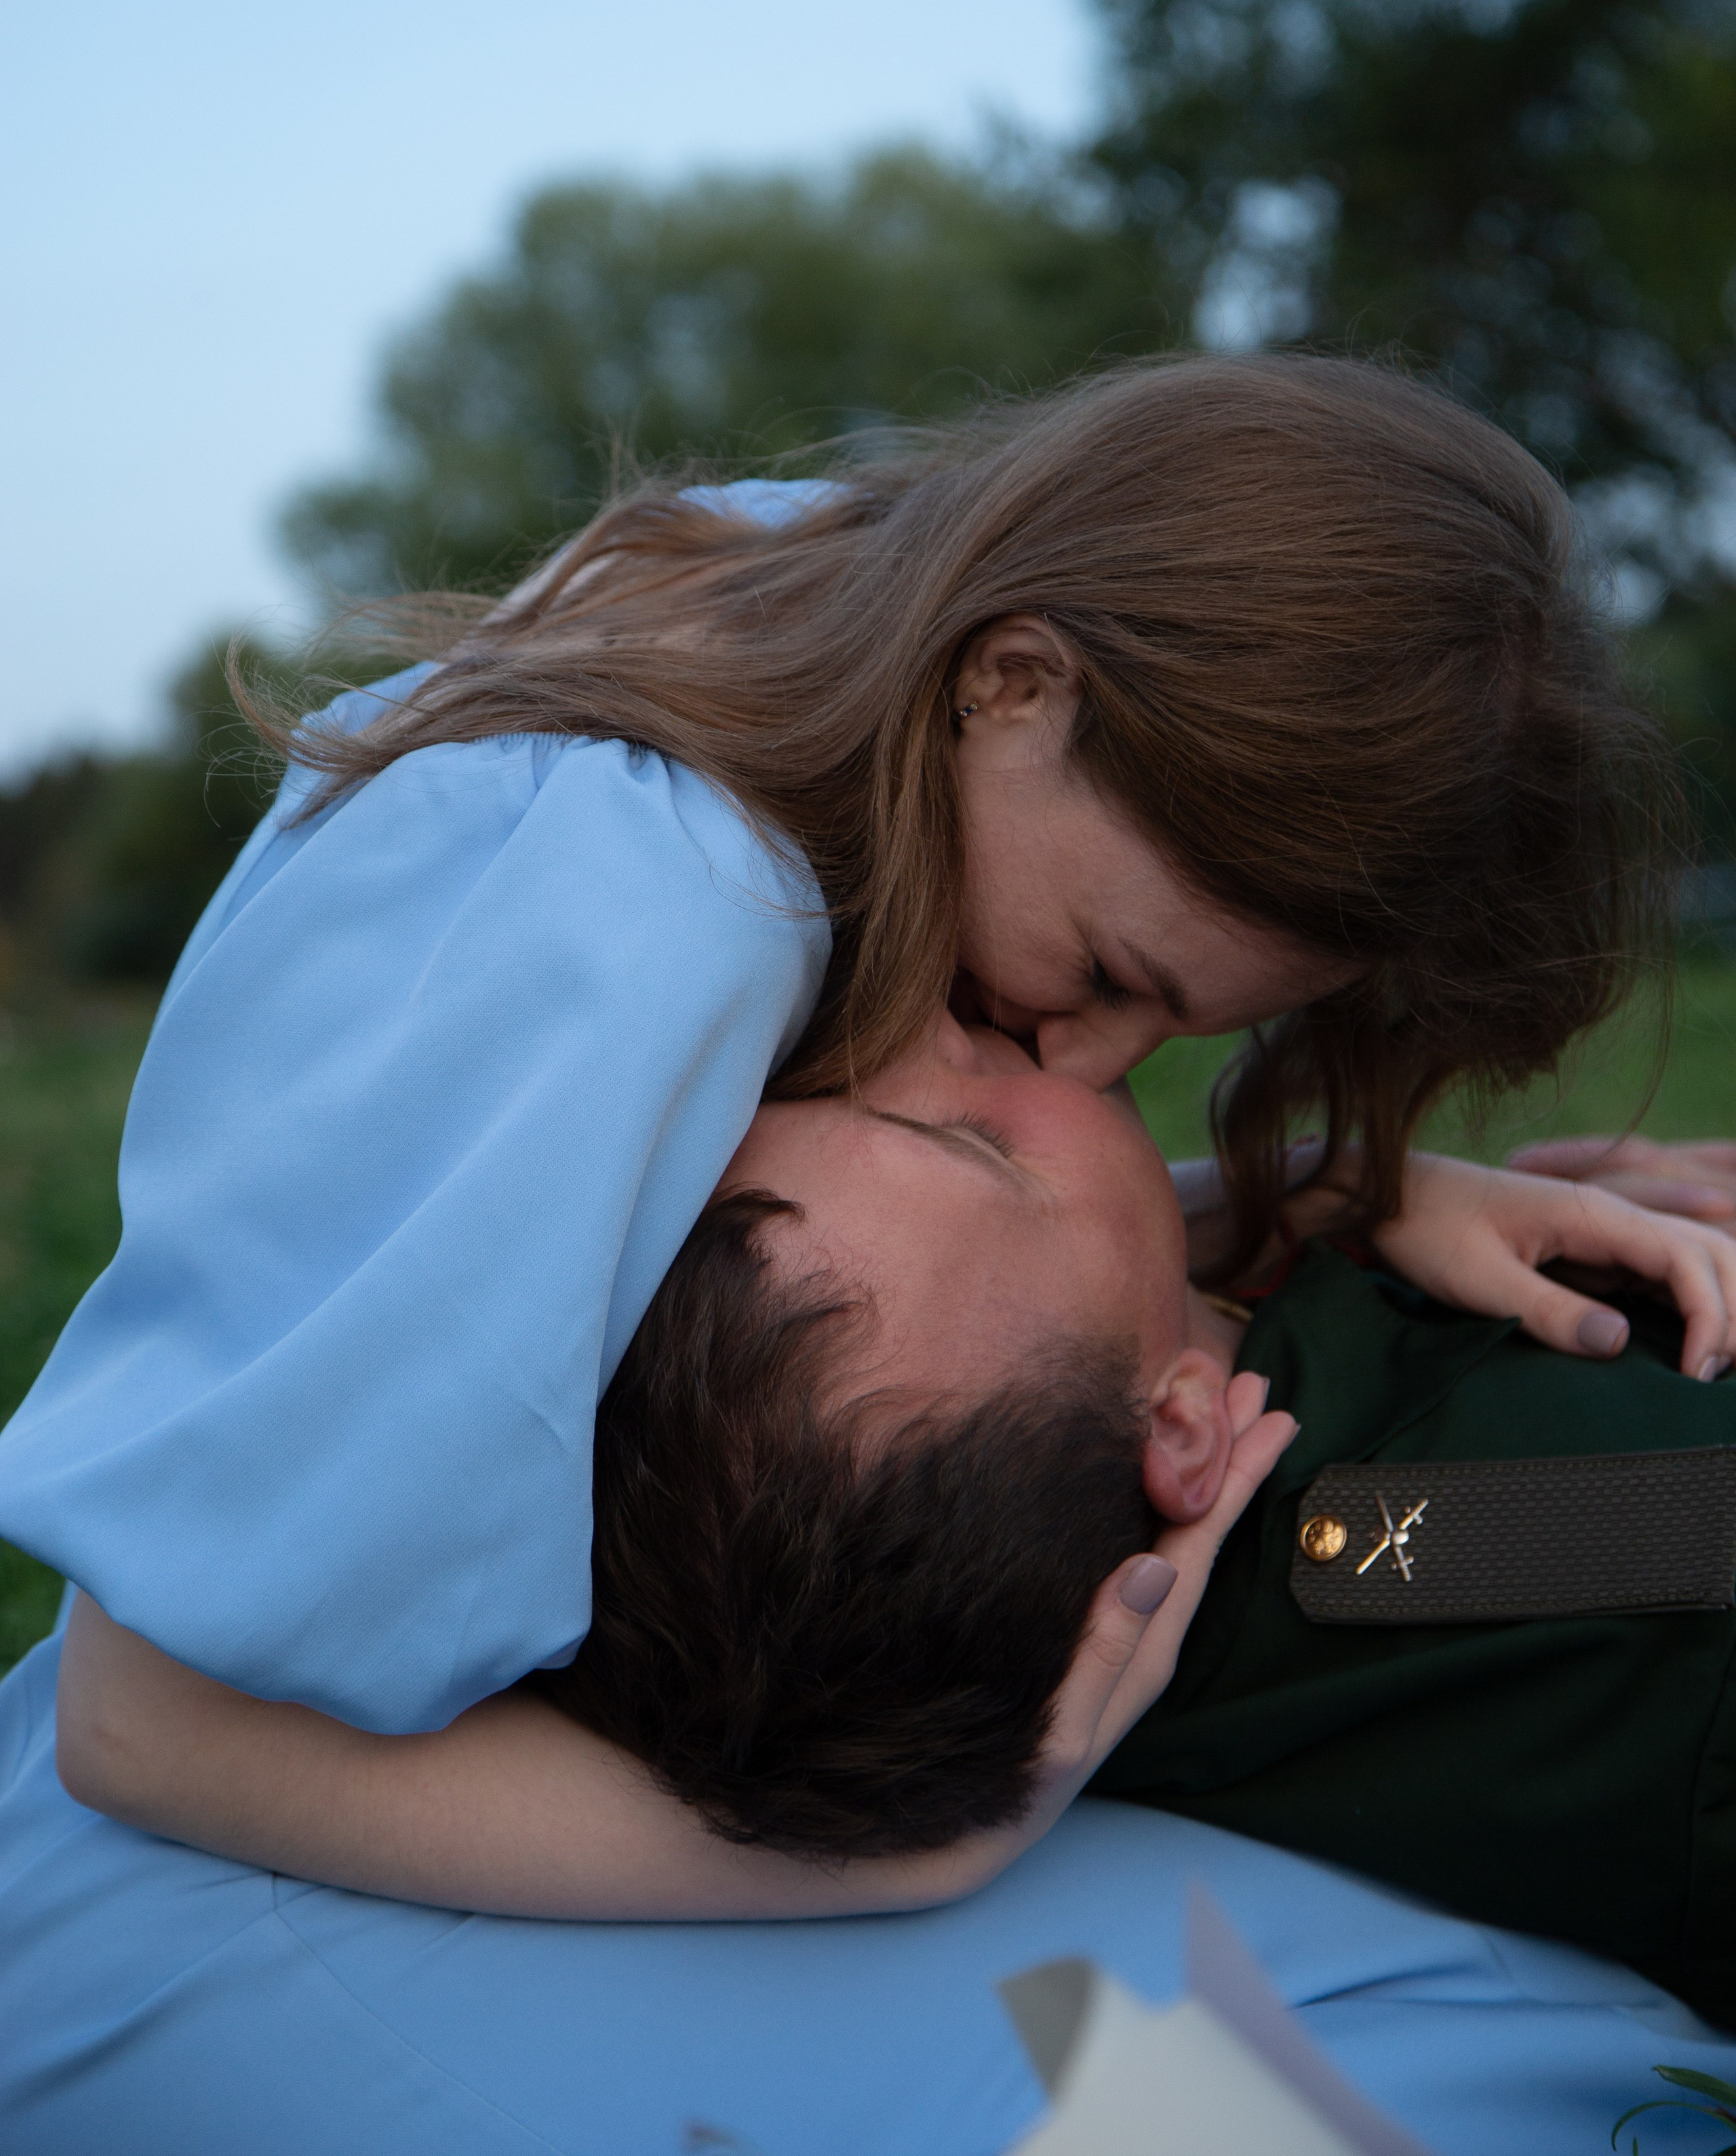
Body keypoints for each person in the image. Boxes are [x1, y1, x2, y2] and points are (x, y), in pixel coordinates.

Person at [9, 355, 1736, 2148]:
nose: (1071, 1069)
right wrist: (891, 1862)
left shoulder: (806, 607)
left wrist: (1320, 1186)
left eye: (1171, 1041)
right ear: (1019, 681)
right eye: (1107, 984)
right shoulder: (658, 921)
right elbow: (146, 1724)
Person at [56, 1016, 1736, 2031]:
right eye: (965, 1136)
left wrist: (1321, 1197)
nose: (943, 1035)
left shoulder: (996, 1478)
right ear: (1178, 1432)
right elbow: (1654, 1552)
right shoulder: (1412, 1553)